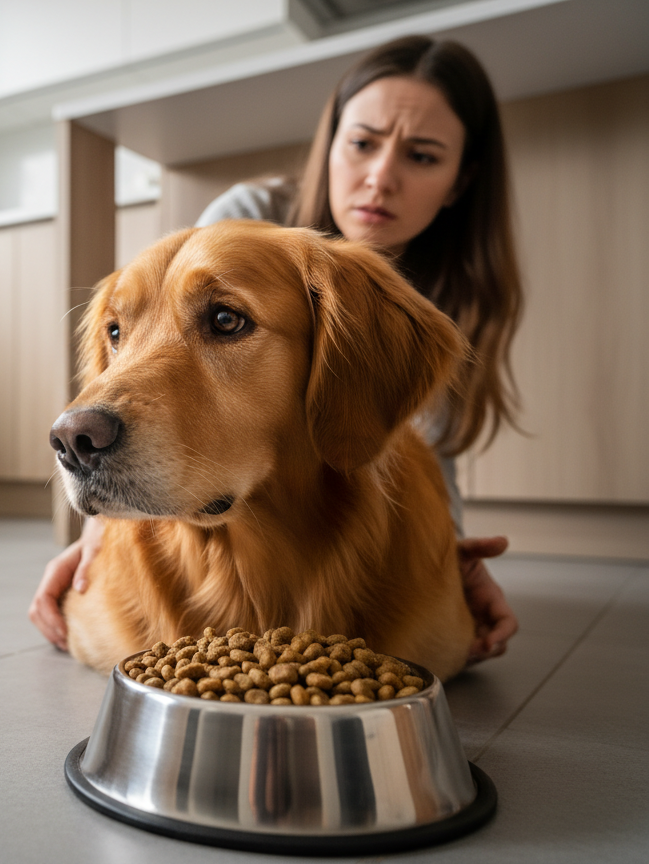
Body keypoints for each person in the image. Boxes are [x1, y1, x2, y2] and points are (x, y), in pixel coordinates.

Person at [30, 35, 522, 665]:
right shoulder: (245, 220)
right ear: (333, 142)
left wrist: (447, 561)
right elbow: (146, 350)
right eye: (363, 143)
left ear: (460, 180)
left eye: (225, 321)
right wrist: (102, 527)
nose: (380, 177)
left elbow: (401, 443)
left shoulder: (452, 292)